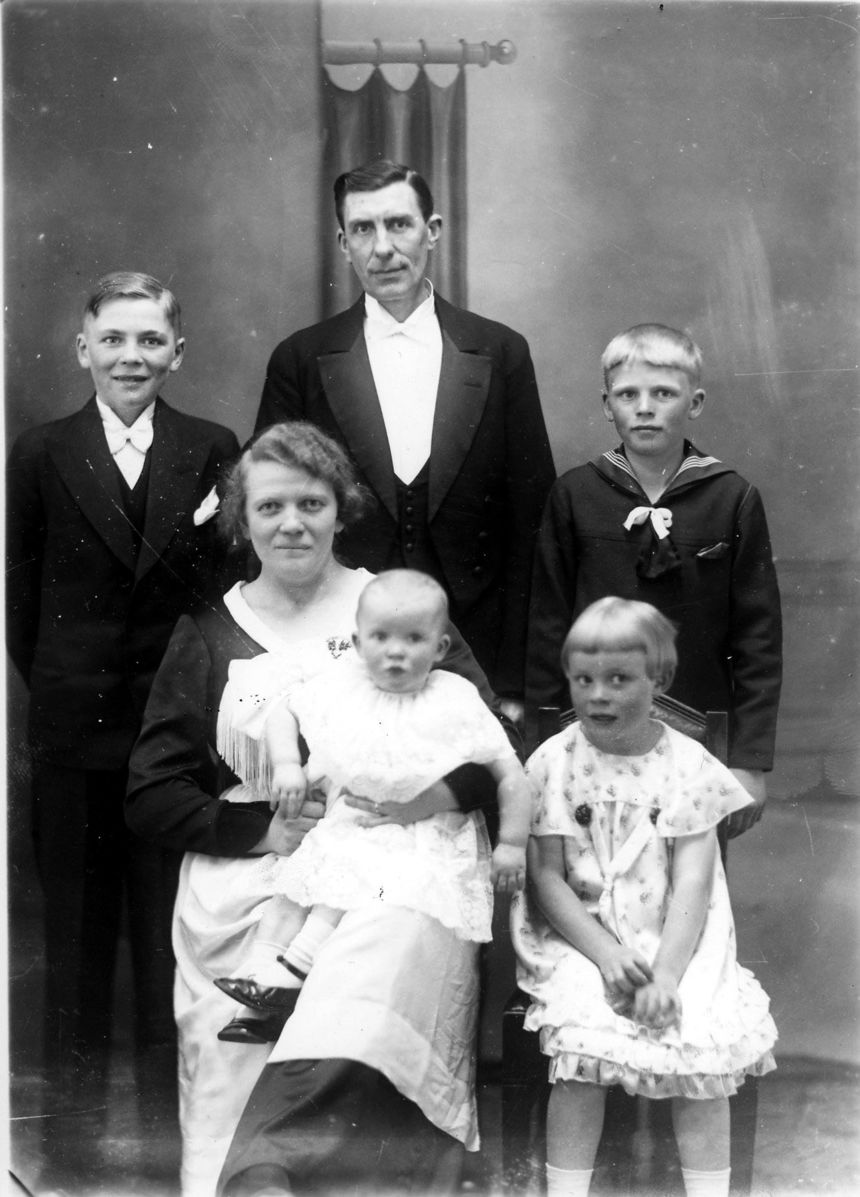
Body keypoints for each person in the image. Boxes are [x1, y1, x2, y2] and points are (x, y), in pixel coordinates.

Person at [125, 422, 520, 1197]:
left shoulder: (397, 608)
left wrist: (422, 801)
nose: (292, 524)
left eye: (312, 503)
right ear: (241, 520)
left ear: (342, 510)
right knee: (237, 1030)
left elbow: (494, 749)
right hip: (253, 875)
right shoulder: (209, 630)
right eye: (270, 507)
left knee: (383, 963)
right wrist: (264, 830)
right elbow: (151, 792)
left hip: (392, 866)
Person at [5, 272, 239, 1161]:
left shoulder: (210, 447)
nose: (131, 357)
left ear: (178, 351)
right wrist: (69, 688)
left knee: (170, 940)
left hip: (175, 739)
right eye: (113, 339)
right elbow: (19, 601)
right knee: (74, 940)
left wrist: (185, 711)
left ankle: (172, 1143)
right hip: (74, 735)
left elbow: (223, 590)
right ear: (83, 350)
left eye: (149, 340)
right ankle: (68, 1149)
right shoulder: (41, 451)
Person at [254, 158, 556, 720]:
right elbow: (271, 517)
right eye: (363, 229)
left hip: (481, 646)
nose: (383, 248)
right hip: (339, 649)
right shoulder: (299, 359)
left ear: (432, 231)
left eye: (399, 225)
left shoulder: (501, 352)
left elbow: (530, 524)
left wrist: (516, 685)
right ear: (343, 243)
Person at [511, 597, 778, 1197]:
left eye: (619, 680)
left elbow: (693, 884)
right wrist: (606, 954)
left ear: (659, 680)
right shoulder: (553, 762)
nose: (597, 696)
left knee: (695, 1042)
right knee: (581, 1050)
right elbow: (547, 879)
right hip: (581, 938)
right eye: (583, 680)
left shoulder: (690, 767)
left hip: (676, 938)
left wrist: (666, 976)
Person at [213, 569, 531, 1025]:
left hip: (419, 830)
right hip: (350, 819)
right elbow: (285, 710)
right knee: (293, 887)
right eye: (381, 637)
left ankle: (292, 973)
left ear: (441, 648)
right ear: (359, 644)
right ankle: (259, 974)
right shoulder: (347, 682)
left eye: (414, 638)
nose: (396, 651)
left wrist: (512, 843)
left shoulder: (454, 696)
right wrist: (286, 765)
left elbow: (510, 772)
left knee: (344, 886)